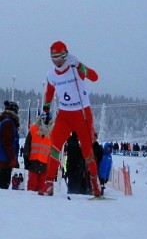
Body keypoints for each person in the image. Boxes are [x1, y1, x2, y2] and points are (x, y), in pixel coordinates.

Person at [38, 41, 101, 197]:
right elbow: (49, 93)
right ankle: (48, 184)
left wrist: (79, 65)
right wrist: (45, 110)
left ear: (65, 56)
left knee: (87, 149)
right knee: (55, 146)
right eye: (53, 58)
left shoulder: (75, 68)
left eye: (59, 58)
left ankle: (95, 185)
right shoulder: (51, 75)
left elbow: (94, 77)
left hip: (82, 113)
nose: (56, 61)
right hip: (64, 114)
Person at [23, 112, 53, 191]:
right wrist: (26, 157)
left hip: (45, 163)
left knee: (42, 186)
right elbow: (27, 144)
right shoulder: (33, 129)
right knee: (32, 184)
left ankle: (40, 202)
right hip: (33, 161)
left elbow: (53, 150)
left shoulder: (52, 133)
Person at [0, 100, 20, 189]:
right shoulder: (8, 123)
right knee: (3, 187)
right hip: (4, 161)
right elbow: (7, 143)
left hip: (4, 159)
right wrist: (12, 159)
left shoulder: (4, 121)